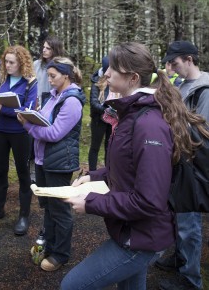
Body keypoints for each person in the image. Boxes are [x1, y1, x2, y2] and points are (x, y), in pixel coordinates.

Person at [60, 42, 208, 290]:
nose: (106, 73)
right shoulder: (132, 113)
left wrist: (91, 203)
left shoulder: (148, 124)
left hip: (142, 239)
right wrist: (96, 176)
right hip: (131, 230)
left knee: (72, 285)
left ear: (133, 78)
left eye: (113, 69)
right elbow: (131, 165)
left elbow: (149, 200)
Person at [18, 56, 86, 271]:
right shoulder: (54, 96)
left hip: (59, 163)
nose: (49, 80)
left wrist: (28, 126)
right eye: (48, 75)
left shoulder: (72, 101)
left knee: (60, 210)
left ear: (66, 75)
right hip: (43, 160)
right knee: (48, 207)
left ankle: (60, 254)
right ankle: (48, 243)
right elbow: (46, 121)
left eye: (53, 76)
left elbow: (55, 133)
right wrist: (33, 115)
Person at [156, 40, 209, 290]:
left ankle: (191, 279)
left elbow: (203, 132)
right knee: (177, 216)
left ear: (189, 59)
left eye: (175, 63)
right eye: (169, 64)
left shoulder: (204, 89)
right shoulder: (181, 84)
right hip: (178, 160)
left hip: (193, 166)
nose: (172, 68)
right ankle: (180, 258)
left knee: (189, 222)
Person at [0, 45, 38, 236]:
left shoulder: (30, 82)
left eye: (12, 62)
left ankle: (23, 215)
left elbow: (27, 111)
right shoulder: (1, 79)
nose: (8, 65)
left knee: (23, 174)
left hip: (20, 133)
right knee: (0, 171)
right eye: (6, 61)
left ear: (21, 62)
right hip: (0, 131)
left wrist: (1, 109)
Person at [88, 56, 112, 171]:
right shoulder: (97, 82)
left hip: (112, 121)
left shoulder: (115, 81)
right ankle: (92, 172)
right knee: (95, 147)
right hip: (99, 120)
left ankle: (108, 172)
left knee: (109, 147)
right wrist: (106, 109)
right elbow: (93, 103)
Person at [34, 36, 65, 106]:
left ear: (55, 50)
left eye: (48, 48)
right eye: (44, 47)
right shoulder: (36, 64)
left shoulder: (62, 67)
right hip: (36, 104)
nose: (44, 50)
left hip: (53, 104)